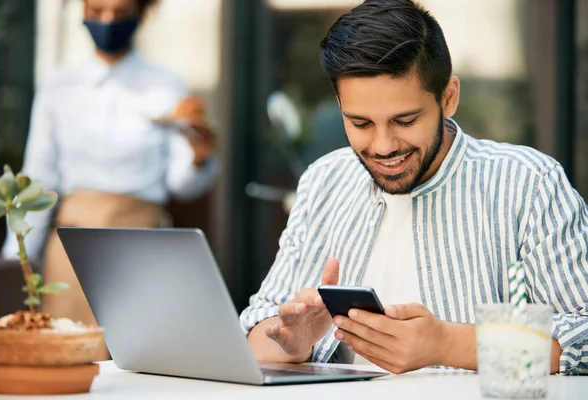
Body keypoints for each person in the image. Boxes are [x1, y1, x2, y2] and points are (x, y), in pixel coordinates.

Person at [239, 0, 588, 376]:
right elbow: (258, 330)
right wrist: (293, 344)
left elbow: (582, 337)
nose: (384, 145)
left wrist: (445, 344)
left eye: (404, 120)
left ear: (448, 97)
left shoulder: (528, 184)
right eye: (360, 123)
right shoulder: (324, 181)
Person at [1, 0, 218, 353]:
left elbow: (181, 185)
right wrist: (17, 256)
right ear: (83, 12)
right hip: (72, 247)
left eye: (119, 14)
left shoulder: (166, 85)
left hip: (142, 243)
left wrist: (198, 160)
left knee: (138, 358)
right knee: (70, 355)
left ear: (140, 16)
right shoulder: (59, 86)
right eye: (97, 11)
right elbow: (39, 180)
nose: (107, 21)